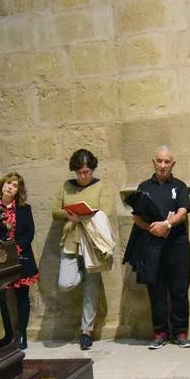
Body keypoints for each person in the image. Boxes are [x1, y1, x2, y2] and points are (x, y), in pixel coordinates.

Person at [53, 149, 117, 350]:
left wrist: (85, 215)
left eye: (87, 171)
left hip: (92, 243)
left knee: (91, 288)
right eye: (80, 172)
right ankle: (81, 271)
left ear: (92, 170)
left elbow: (106, 211)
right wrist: (68, 214)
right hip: (71, 241)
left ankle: (86, 332)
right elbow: (55, 211)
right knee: (65, 282)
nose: (83, 176)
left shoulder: (101, 186)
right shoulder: (66, 186)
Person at [129, 148, 190, 348]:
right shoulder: (144, 187)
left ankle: (180, 333)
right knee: (156, 291)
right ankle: (160, 332)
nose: (162, 165)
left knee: (179, 290)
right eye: (159, 161)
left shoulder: (179, 186)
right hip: (151, 247)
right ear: (153, 162)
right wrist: (152, 228)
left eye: (167, 162)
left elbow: (183, 212)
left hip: (178, 246)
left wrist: (167, 225)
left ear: (173, 164)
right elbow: (137, 217)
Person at [0, 172, 38, 349]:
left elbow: (29, 232)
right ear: (2, 185)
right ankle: (0, 337)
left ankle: (21, 334)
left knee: (22, 298)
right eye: (7, 183)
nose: (10, 186)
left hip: (21, 258)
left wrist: (16, 249)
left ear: (18, 191)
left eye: (14, 185)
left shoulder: (24, 208)